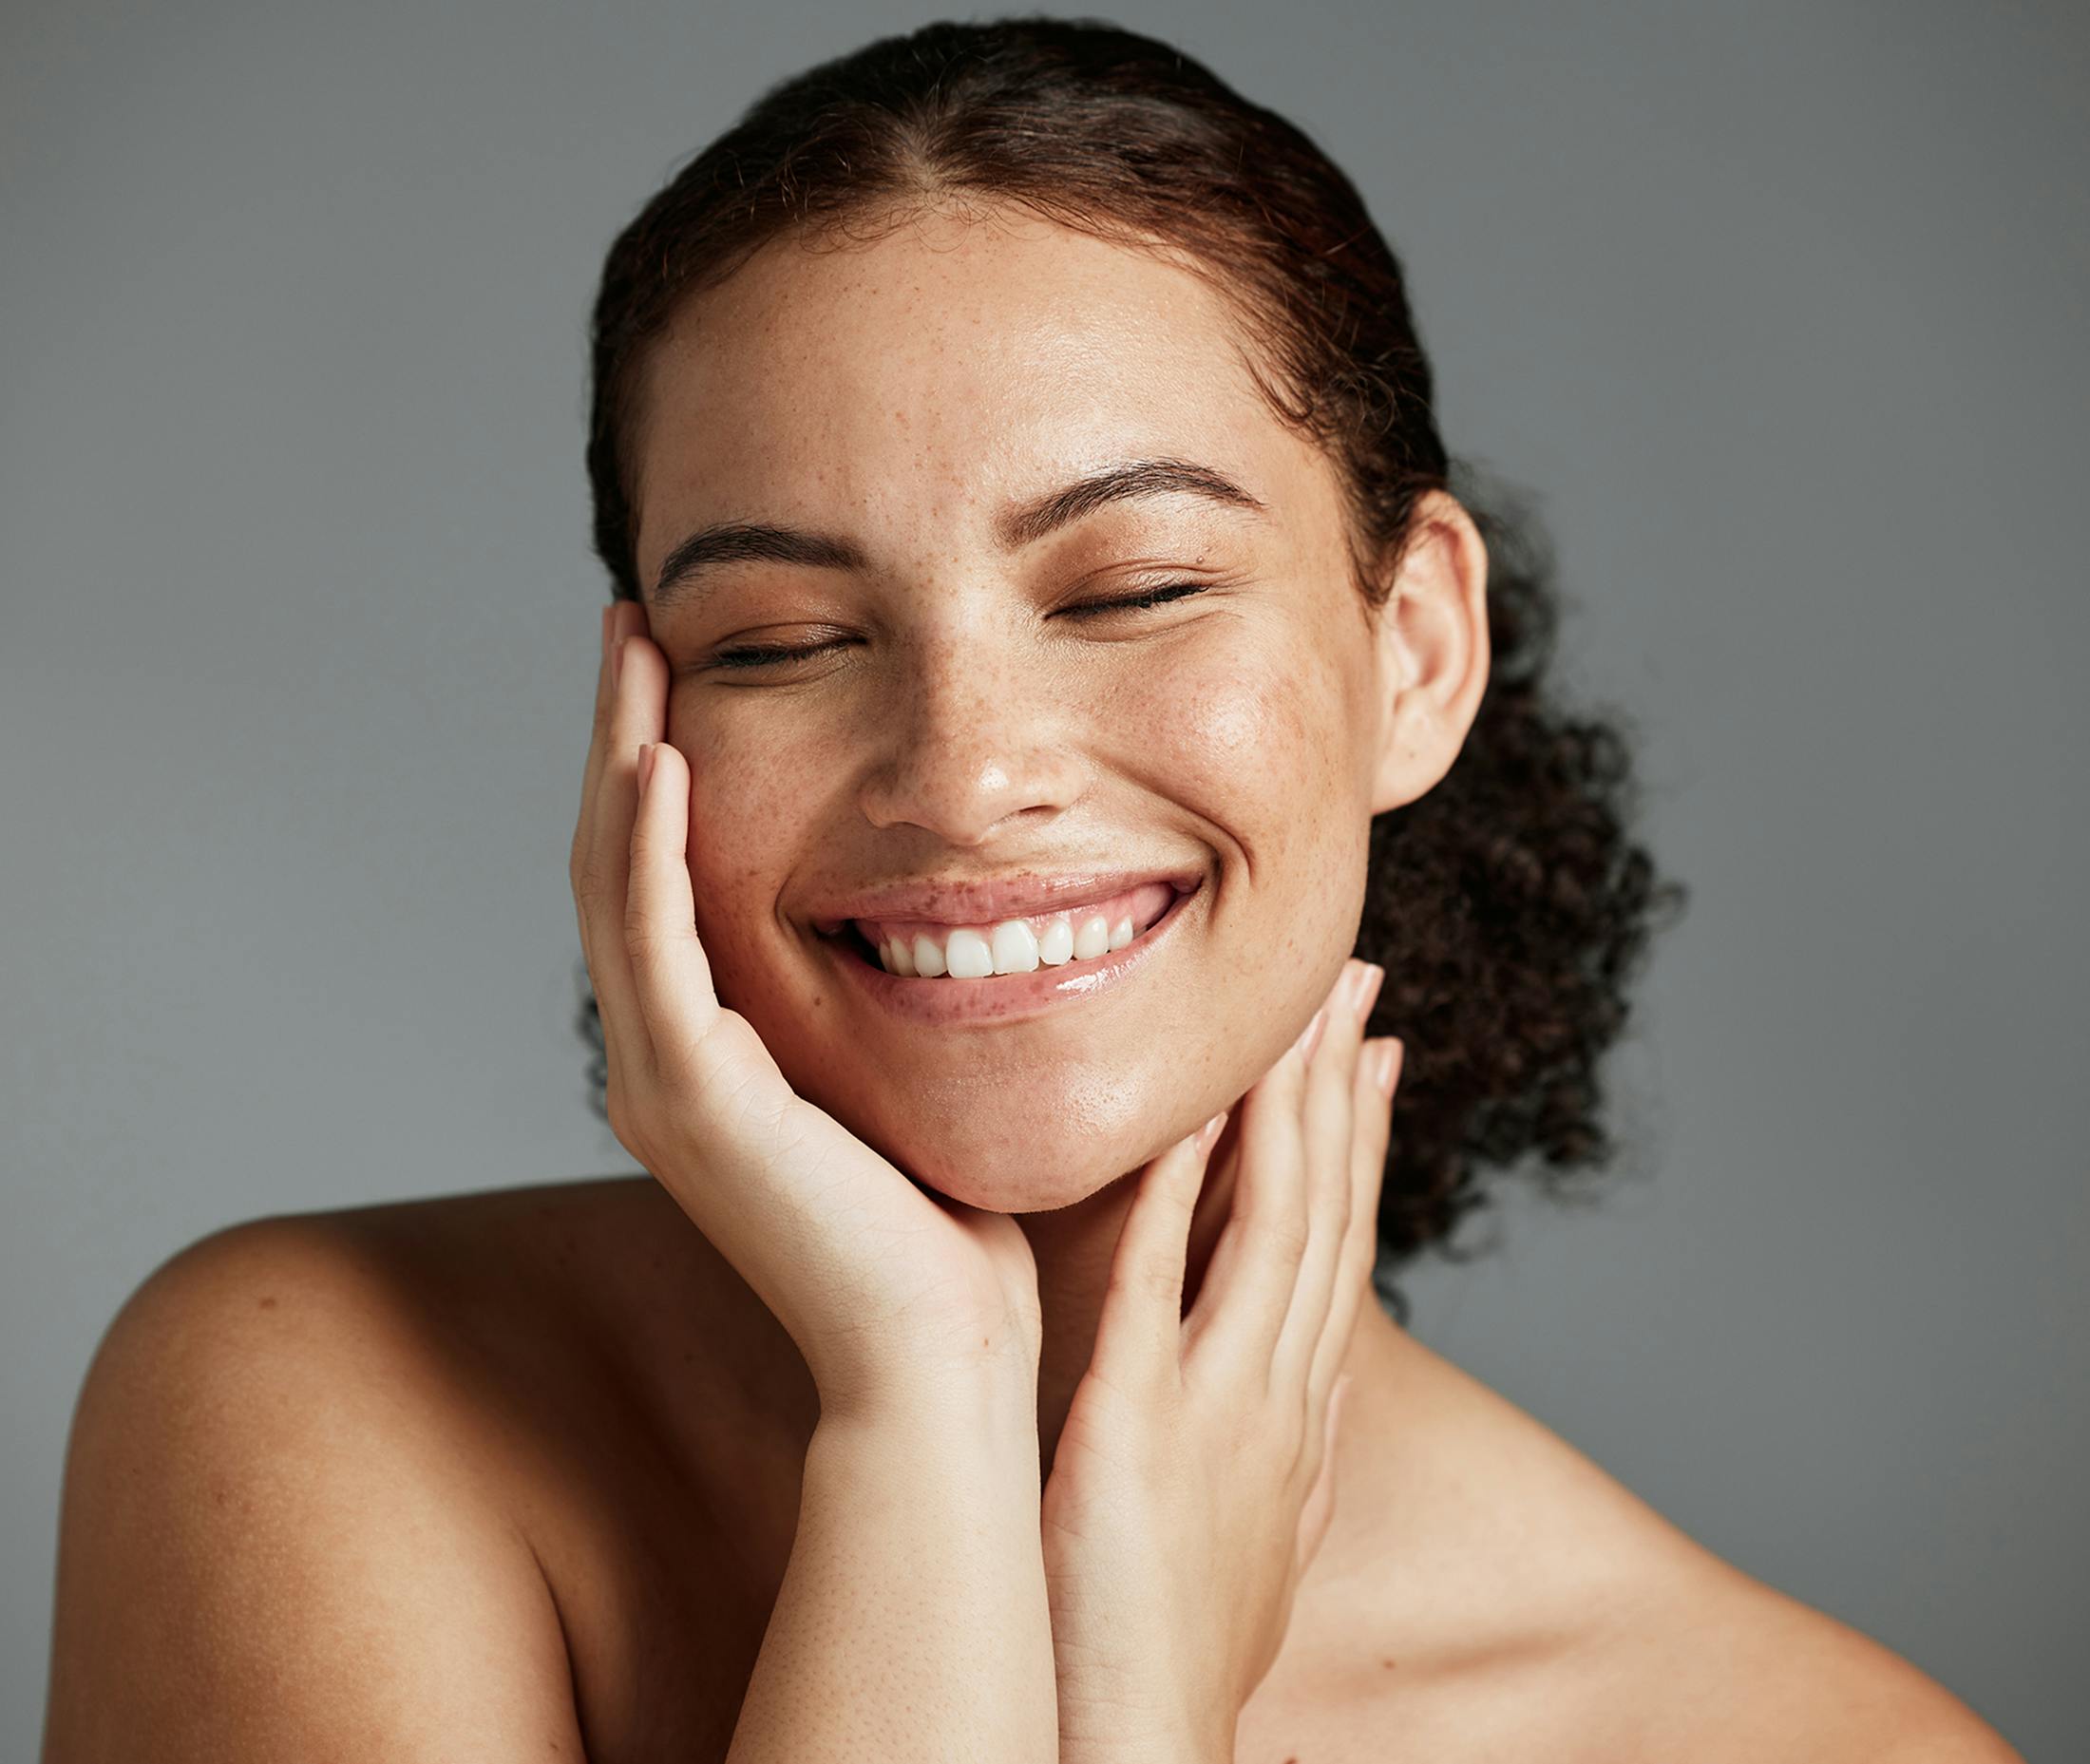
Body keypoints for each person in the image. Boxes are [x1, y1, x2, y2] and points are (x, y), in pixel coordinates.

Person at [42, 17, 2021, 1762]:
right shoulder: (321, 1408)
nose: (964, 774)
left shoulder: (1805, 1739)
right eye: (781, 639)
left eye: (1130, 589)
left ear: (1409, 647)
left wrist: (1132, 1715)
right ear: (639, 714)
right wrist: (920, 1424)